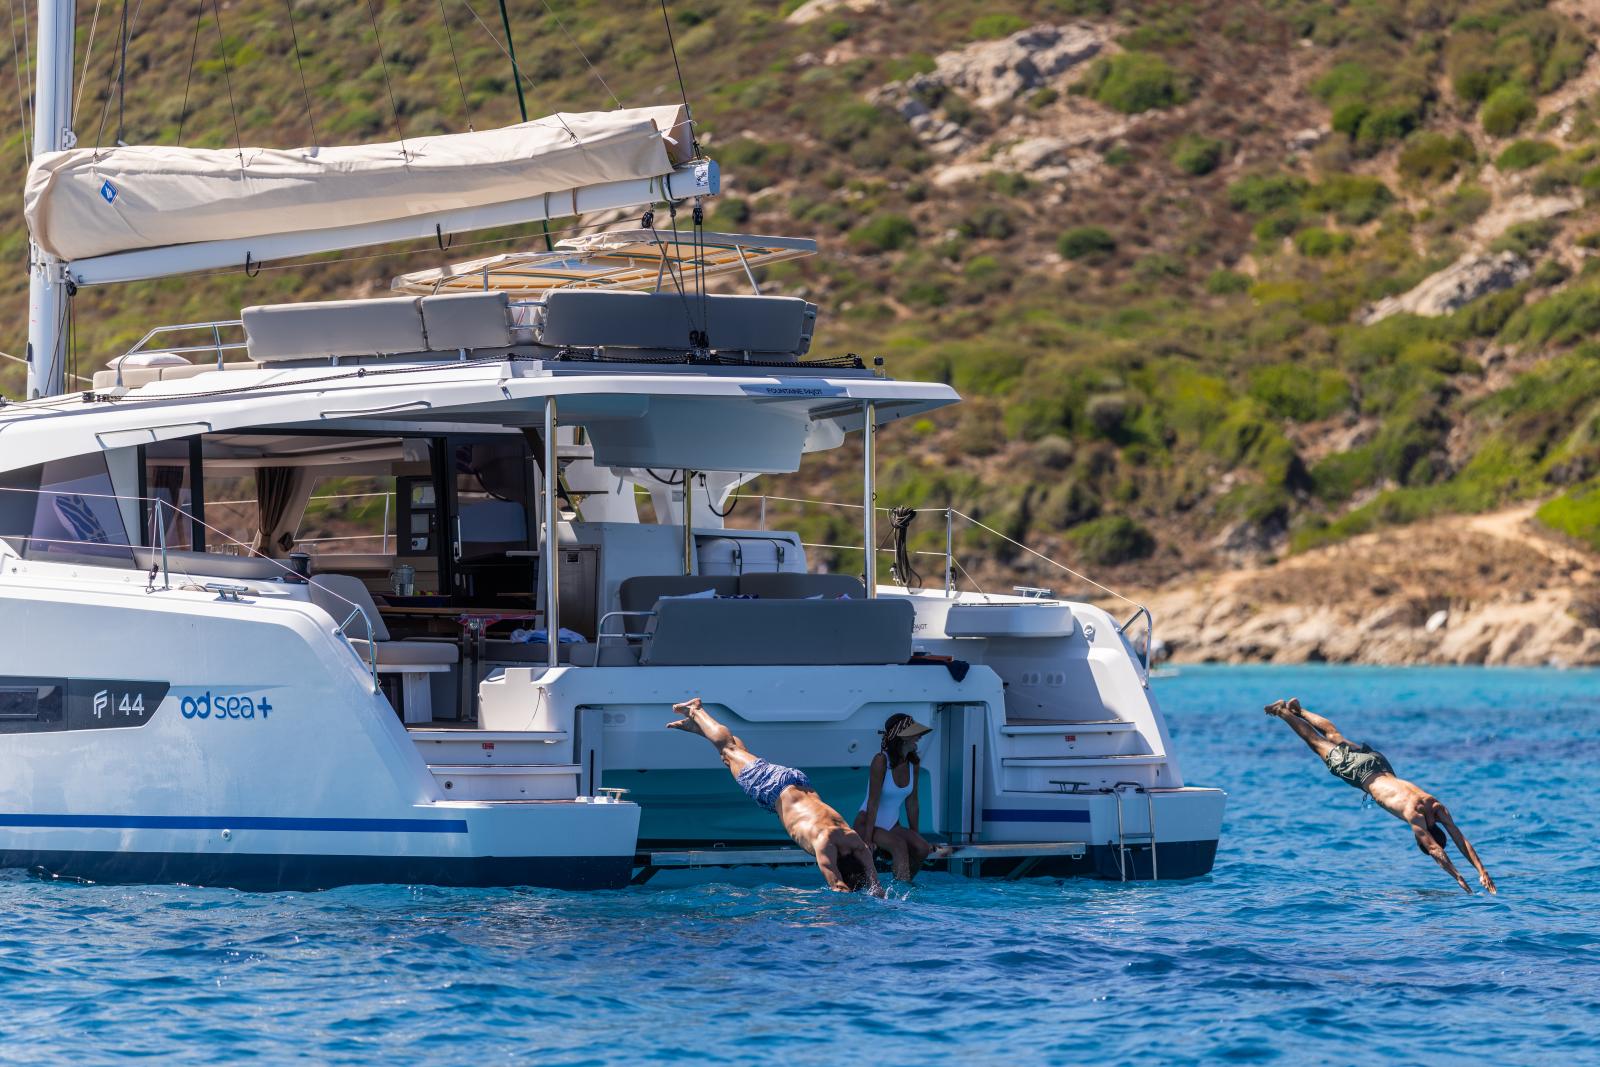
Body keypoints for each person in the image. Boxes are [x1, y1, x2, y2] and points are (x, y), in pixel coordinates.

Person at [1266, 697, 1496, 894]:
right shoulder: (1414, 816)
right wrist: (1458, 878)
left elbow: (1460, 839)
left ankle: (1300, 710)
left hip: (1380, 763)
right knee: (1316, 743)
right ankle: (1283, 711)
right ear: (1425, 838)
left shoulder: (1436, 806)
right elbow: (1436, 850)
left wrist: (1482, 870)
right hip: (1363, 774)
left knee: (1334, 736)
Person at [667, 698, 880, 895]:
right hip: (775, 789)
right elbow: (837, 886)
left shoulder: (854, 840)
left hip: (798, 783)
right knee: (728, 750)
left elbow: (870, 871)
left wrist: (875, 886)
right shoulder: (824, 844)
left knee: (734, 757)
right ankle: (696, 711)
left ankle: (699, 727)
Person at [855, 712, 939, 882]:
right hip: (866, 824)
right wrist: (868, 839)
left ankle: (903, 885)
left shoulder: (913, 764)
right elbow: (873, 802)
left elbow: (912, 803)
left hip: (892, 826)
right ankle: (901, 892)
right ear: (903, 738)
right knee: (899, 845)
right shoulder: (881, 760)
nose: (919, 737)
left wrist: (915, 836)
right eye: (915, 733)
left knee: (922, 848)